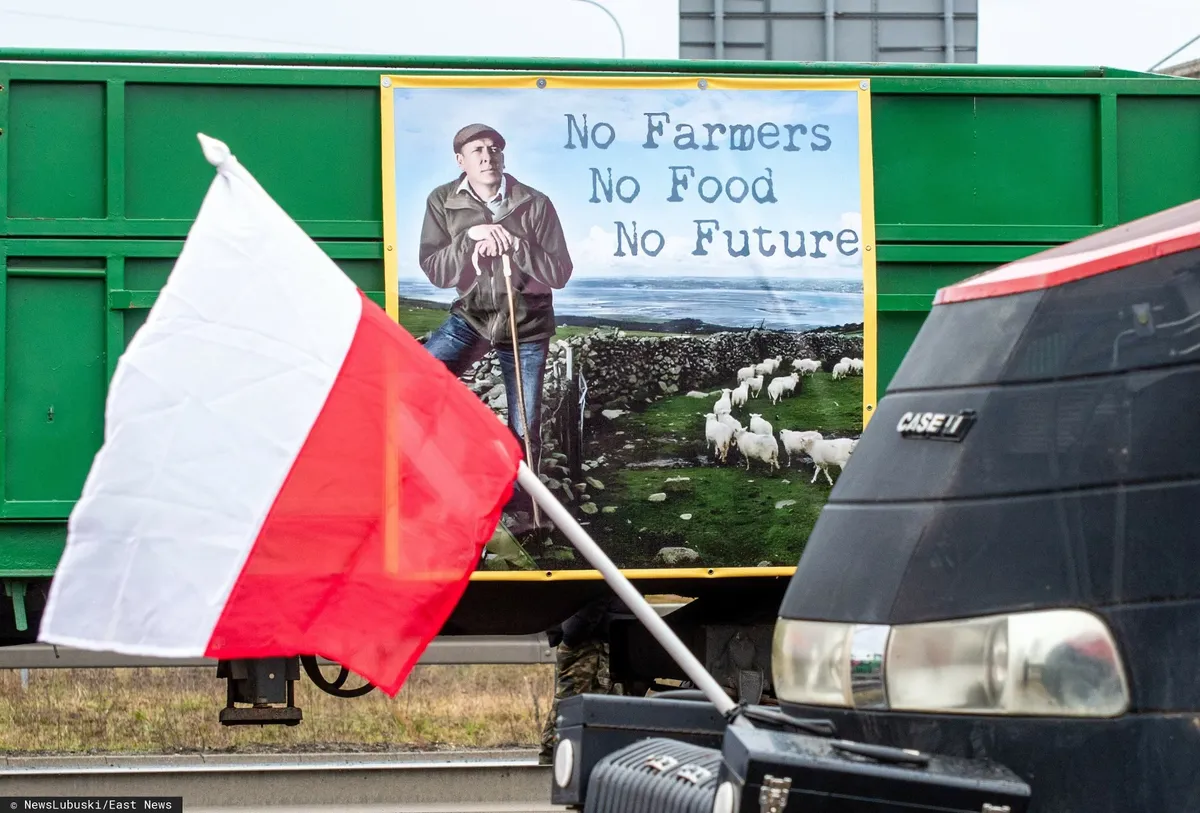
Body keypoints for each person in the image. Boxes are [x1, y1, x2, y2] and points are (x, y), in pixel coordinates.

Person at [418, 123, 574, 539]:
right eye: (477, 150)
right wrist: (469, 238)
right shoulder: (442, 202)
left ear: (503, 156)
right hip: (471, 318)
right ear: (461, 160)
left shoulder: (536, 204)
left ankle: (525, 514)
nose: (487, 156)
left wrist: (517, 244)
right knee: (414, 387)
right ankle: (452, 478)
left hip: (527, 325)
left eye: (494, 149)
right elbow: (435, 270)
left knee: (525, 425)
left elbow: (559, 272)